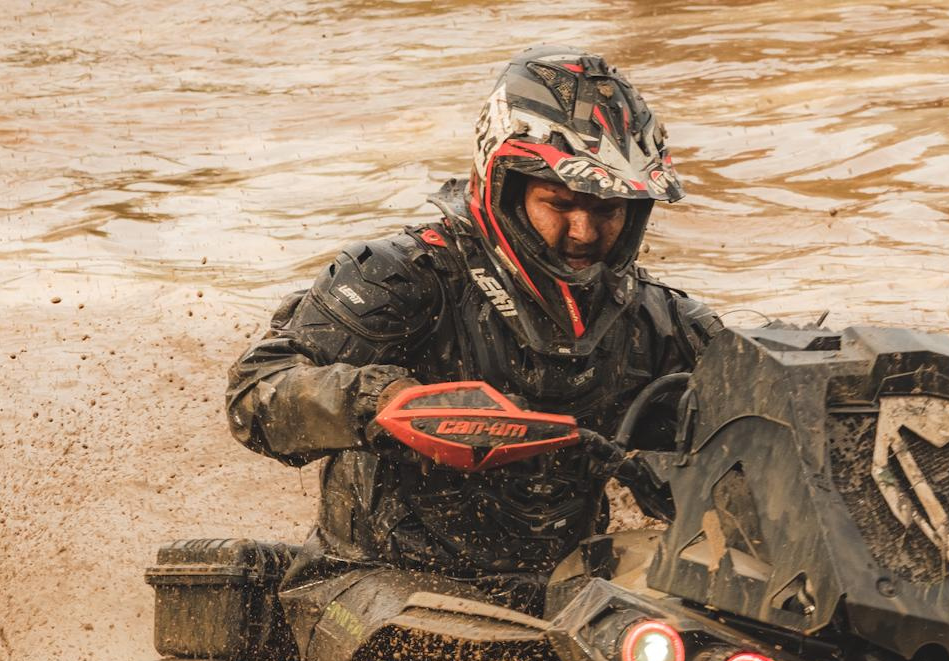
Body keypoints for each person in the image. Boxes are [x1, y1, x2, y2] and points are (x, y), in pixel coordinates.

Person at [226, 48, 719, 604]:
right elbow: (253, 394)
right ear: (505, 187)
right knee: (447, 653)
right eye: (559, 204)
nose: (584, 232)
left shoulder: (660, 321)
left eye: (607, 211)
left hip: (568, 592)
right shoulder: (400, 276)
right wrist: (383, 401)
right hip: (372, 584)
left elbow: (751, 433)